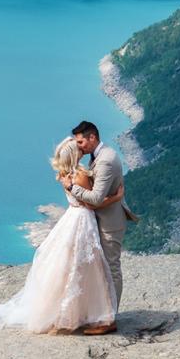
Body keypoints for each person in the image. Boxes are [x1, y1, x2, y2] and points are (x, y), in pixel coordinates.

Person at [0, 136, 124, 334]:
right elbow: (92, 203)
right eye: (78, 147)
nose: (82, 148)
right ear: (75, 154)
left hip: (71, 218)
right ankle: (96, 314)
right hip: (82, 220)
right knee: (88, 268)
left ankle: (71, 312)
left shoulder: (64, 174)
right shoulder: (79, 176)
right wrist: (115, 197)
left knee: (68, 266)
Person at [63, 120, 139, 335]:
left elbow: (96, 198)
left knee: (111, 268)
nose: (79, 147)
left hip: (110, 224)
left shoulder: (105, 160)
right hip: (100, 220)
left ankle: (109, 319)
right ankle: (100, 313)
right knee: (101, 269)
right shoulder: (99, 156)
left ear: (92, 137)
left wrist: (71, 187)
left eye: (81, 142)